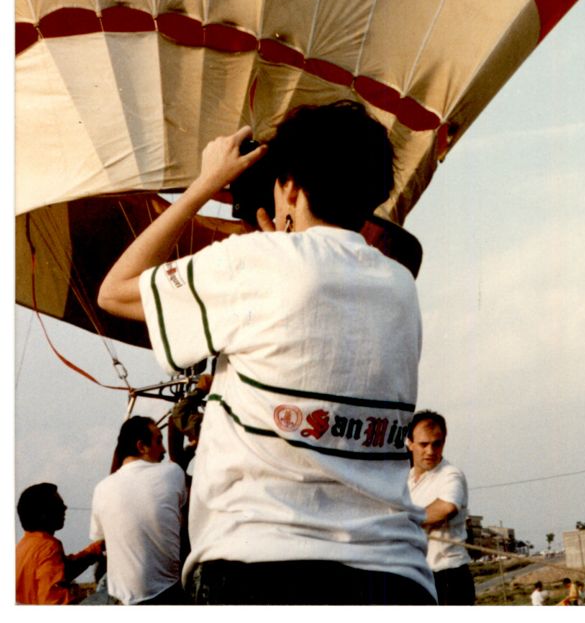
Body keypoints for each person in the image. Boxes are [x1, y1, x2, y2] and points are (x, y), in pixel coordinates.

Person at [97, 100, 435, 605]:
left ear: (291, 186)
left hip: (262, 569)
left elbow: (114, 290)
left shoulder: (257, 261)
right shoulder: (400, 284)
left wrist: (205, 184)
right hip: (397, 576)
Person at [88, 416, 187, 605]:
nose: (163, 449)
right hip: (168, 593)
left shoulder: (101, 488)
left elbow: (100, 540)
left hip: (122, 600)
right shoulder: (173, 472)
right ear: (141, 446)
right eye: (158, 441)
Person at [406, 410, 475, 604]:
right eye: (423, 444)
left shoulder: (450, 475)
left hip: (449, 577)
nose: (431, 451)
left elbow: (446, 508)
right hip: (417, 575)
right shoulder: (405, 479)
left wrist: (401, 522)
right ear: (409, 443)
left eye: (437, 444)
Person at [15, 482, 103, 605]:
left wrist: (96, 549)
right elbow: (55, 601)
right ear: (43, 515)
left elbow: (63, 571)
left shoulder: (23, 546)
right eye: (58, 505)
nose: (65, 508)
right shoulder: (48, 547)